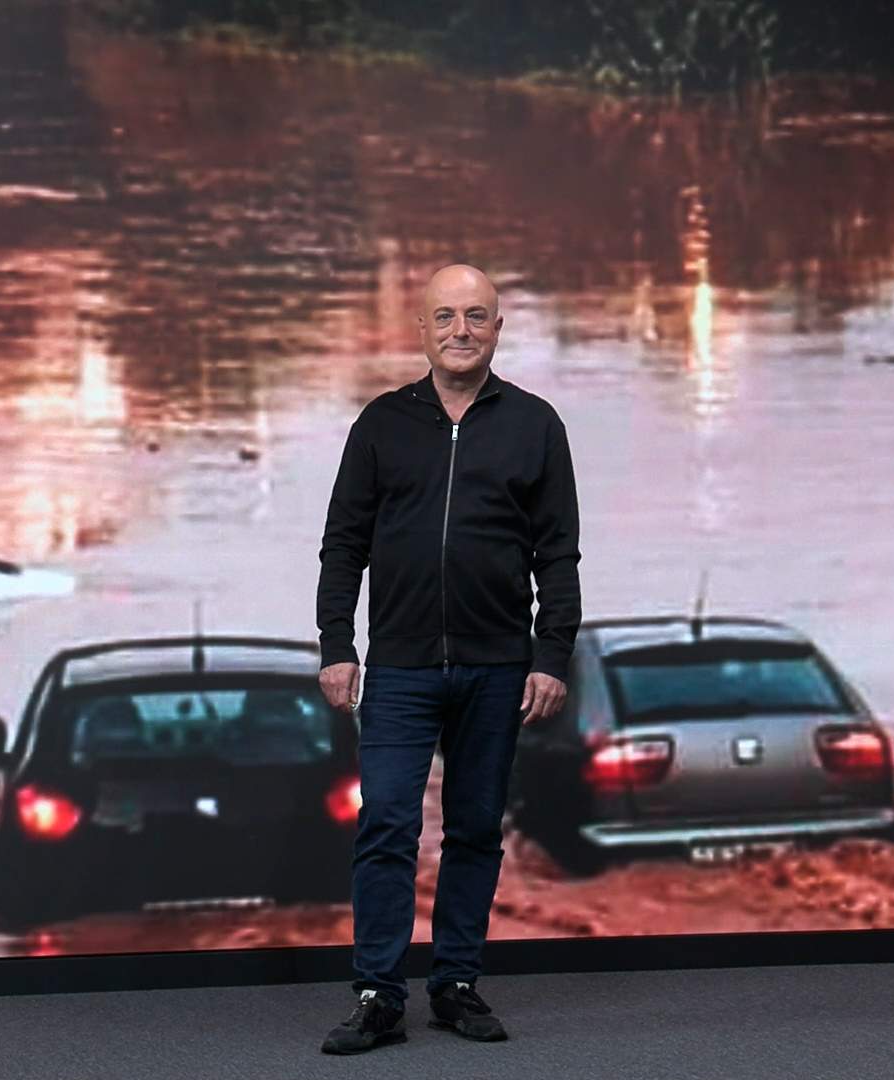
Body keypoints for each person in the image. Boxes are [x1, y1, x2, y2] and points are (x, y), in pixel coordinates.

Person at [315, 264, 581, 1054]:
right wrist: (338, 645)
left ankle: (456, 983)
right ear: (421, 331)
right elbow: (343, 545)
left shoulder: (536, 425)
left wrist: (551, 655)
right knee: (388, 823)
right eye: (444, 316)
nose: (460, 330)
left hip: (499, 667)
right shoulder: (381, 424)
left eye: (475, 316)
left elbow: (558, 555)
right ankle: (377, 993)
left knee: (473, 830)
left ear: (498, 329)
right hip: (398, 668)